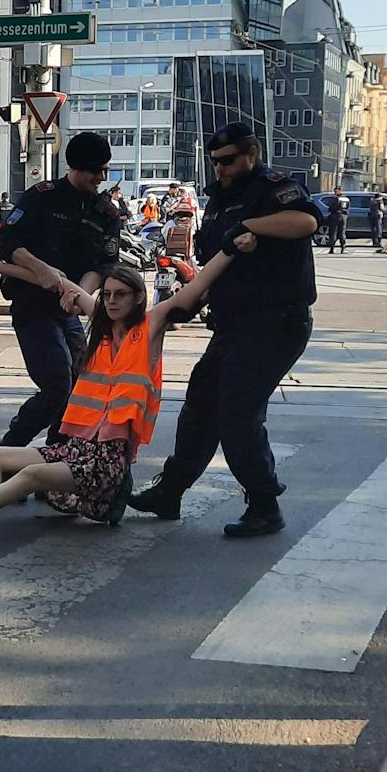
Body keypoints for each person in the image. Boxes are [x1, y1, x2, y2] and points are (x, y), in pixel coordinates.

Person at [0, 257, 238, 542]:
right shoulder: (102, 329)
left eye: (121, 295)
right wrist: (0, 267)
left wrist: (229, 247)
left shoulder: (150, 327)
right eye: (106, 295)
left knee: (32, 475)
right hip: (75, 449)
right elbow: (52, 280)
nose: (112, 301)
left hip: (106, 462)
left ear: (137, 297)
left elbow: (195, 287)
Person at [131, 118, 318, 539]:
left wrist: (251, 226)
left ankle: (264, 504)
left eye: (229, 161)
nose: (221, 169)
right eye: (215, 162)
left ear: (251, 154)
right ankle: (171, 491)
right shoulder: (218, 198)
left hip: (275, 321)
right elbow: (218, 259)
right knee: (199, 405)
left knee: (237, 411)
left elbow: (305, 223)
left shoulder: (272, 188)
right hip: (233, 323)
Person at [0, 131, 122, 450]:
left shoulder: (105, 213)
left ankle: (54, 455)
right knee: (56, 386)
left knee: (80, 385)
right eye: (97, 171)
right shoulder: (42, 196)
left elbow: (103, 264)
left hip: (69, 310)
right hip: (32, 305)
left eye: (105, 171)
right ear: (78, 167)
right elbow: (7, 242)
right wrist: (41, 268)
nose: (101, 179)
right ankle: (7, 453)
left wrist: (80, 295)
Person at [324, 188, 349, 254]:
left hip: (336, 215)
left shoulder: (336, 198)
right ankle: (343, 247)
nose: (335, 192)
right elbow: (348, 207)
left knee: (333, 232)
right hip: (344, 216)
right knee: (342, 232)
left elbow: (332, 208)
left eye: (335, 191)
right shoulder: (346, 199)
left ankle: (332, 248)